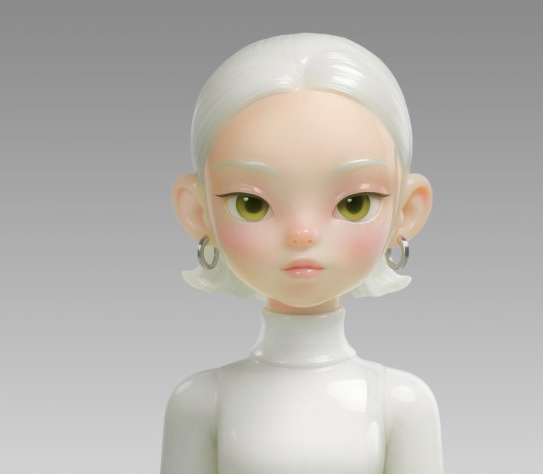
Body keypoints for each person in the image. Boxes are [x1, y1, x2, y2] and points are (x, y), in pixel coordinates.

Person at [165, 33, 442, 474]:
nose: (302, 234)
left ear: (407, 211)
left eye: (354, 204)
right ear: (198, 212)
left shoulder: (400, 403)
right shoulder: (200, 402)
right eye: (251, 204)